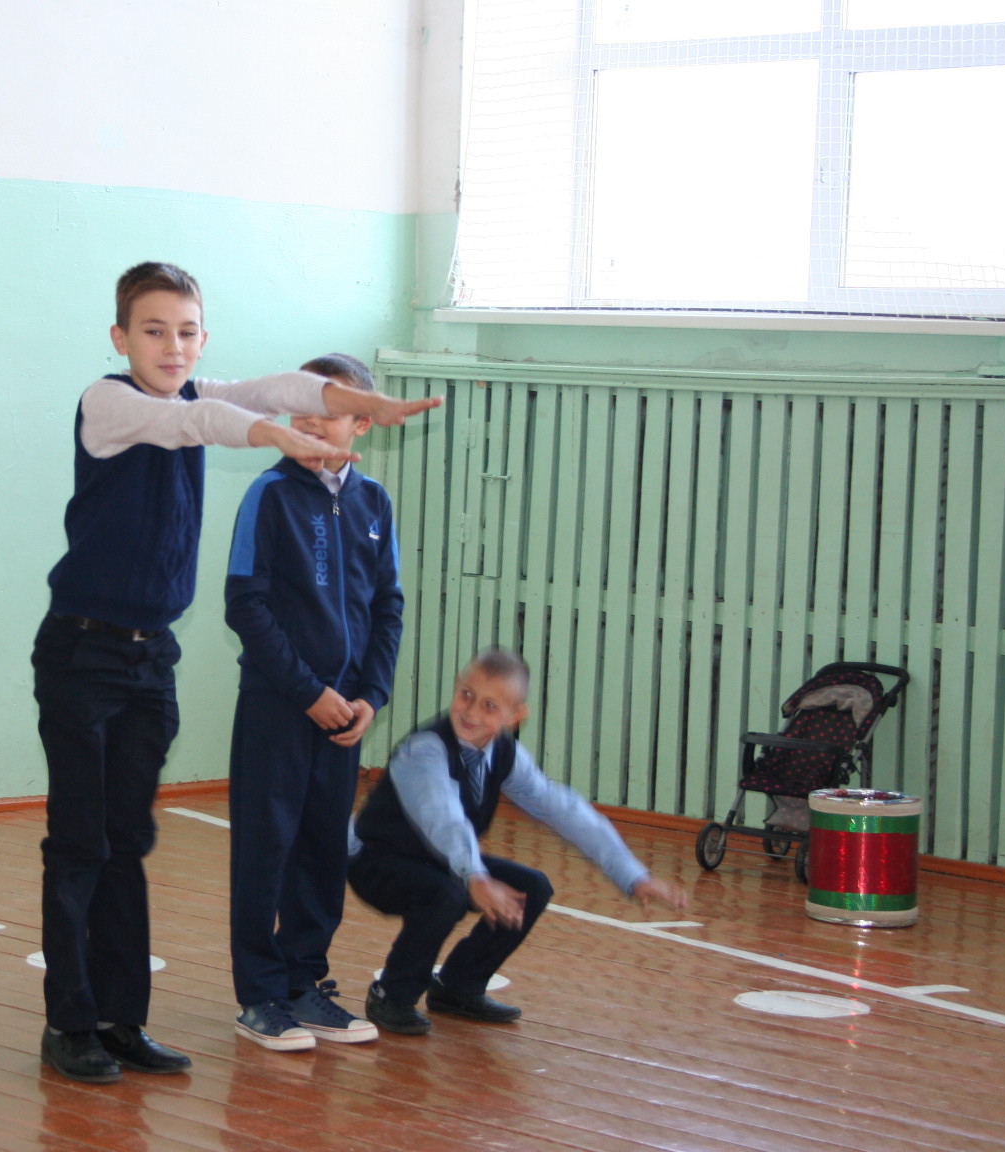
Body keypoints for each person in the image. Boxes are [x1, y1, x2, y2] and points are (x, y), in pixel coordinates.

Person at [34, 263, 440, 1084]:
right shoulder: (108, 403)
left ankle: (121, 1021)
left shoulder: (198, 392)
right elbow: (210, 421)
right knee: (81, 844)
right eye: (153, 330)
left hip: (151, 656)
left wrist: (360, 402)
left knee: (128, 841)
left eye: (186, 332)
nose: (172, 346)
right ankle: (70, 1025)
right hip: (83, 652)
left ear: (202, 338)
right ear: (120, 338)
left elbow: (274, 388)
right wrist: (279, 438)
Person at [348, 647, 687, 1034]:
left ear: (515, 716)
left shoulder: (504, 753)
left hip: (439, 862)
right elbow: (443, 816)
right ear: (456, 687)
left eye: (490, 706)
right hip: (377, 861)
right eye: (466, 695)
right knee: (448, 894)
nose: (472, 712)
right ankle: (391, 995)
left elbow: (563, 809)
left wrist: (633, 875)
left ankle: (458, 987)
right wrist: (475, 876)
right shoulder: (424, 750)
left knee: (532, 888)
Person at [223, 352, 403, 1051]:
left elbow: (387, 606)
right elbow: (245, 604)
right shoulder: (269, 495)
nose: (309, 418)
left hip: (345, 717)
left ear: (363, 424)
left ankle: (305, 982)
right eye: (301, 404)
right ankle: (261, 996)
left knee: (324, 848)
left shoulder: (374, 503)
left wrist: (370, 695)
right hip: (279, 708)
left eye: (328, 408)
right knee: (266, 848)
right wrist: (307, 691)